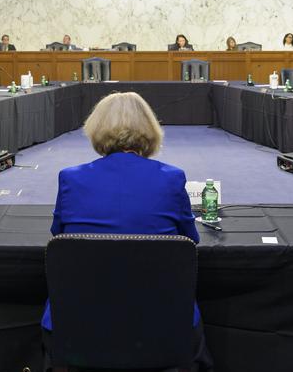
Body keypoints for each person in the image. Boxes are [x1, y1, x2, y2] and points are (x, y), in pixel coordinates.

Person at [46, 92, 204, 347]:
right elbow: (190, 240)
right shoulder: (171, 178)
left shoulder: (71, 179)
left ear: (96, 130)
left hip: (79, 319)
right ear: (149, 130)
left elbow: (59, 236)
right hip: (162, 318)